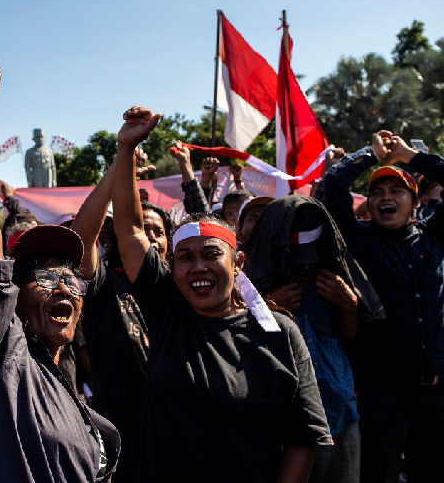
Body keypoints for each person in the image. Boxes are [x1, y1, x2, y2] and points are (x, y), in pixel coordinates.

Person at [113, 106, 331, 482]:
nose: (198, 266)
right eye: (185, 257)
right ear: (172, 269)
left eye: (212, 254)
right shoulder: (168, 313)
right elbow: (131, 230)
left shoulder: (279, 332)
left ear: (238, 263)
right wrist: (125, 150)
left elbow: (303, 438)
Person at [0, 58, 120, 482]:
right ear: (11, 298)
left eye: (70, 278)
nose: (63, 287)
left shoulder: (69, 395)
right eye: (46, 277)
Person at [318, 130, 444, 482]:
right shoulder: (358, 240)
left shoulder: (434, 236)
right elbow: (333, 183)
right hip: (384, 395)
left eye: (396, 190)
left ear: (416, 202)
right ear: (370, 204)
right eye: (377, 192)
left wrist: (409, 156)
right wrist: (370, 153)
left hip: (437, 391)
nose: (386, 197)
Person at [244, 196, 377, 483]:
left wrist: (349, 306)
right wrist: (263, 306)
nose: (305, 267)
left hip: (337, 412)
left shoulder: (330, 275)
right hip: (279, 421)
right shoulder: (246, 282)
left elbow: (345, 336)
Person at [71, 154, 154, 482]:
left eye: (158, 231)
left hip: (174, 439)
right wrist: (119, 167)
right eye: (143, 230)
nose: (150, 238)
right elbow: (80, 241)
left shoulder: (185, 295)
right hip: (122, 445)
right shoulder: (106, 287)